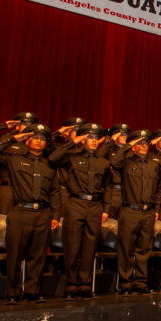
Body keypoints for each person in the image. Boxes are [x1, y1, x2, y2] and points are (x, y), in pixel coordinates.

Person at [0, 123, 60, 304]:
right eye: (35, 138)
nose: (38, 142)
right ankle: (13, 292)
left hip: (42, 213)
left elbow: (55, 192)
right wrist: (13, 138)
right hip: (20, 212)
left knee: (38, 256)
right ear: (28, 140)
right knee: (15, 255)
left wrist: (56, 216)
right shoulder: (15, 159)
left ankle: (32, 292)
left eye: (42, 139)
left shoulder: (50, 165)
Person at [48, 123, 110, 299]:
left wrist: (106, 209)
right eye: (89, 138)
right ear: (83, 140)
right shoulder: (72, 157)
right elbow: (52, 159)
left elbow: (107, 187)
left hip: (95, 205)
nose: (93, 141)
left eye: (96, 138)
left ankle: (84, 284)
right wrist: (72, 142)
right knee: (72, 246)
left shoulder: (103, 162)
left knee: (90, 247)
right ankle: (71, 283)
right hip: (75, 202)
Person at [110, 129, 161, 295]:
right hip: (129, 210)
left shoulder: (154, 163)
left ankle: (141, 281)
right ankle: (125, 282)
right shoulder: (126, 162)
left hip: (148, 211)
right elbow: (114, 162)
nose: (143, 146)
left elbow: (159, 188)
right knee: (126, 248)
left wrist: (157, 209)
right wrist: (127, 146)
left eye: (146, 143)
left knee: (144, 249)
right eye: (139, 143)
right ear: (133, 146)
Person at [100, 123, 131, 219]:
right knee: (110, 223)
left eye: (126, 135)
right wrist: (110, 141)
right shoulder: (108, 149)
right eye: (121, 134)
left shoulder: (130, 152)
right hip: (112, 190)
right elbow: (97, 157)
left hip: (126, 191)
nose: (124, 137)